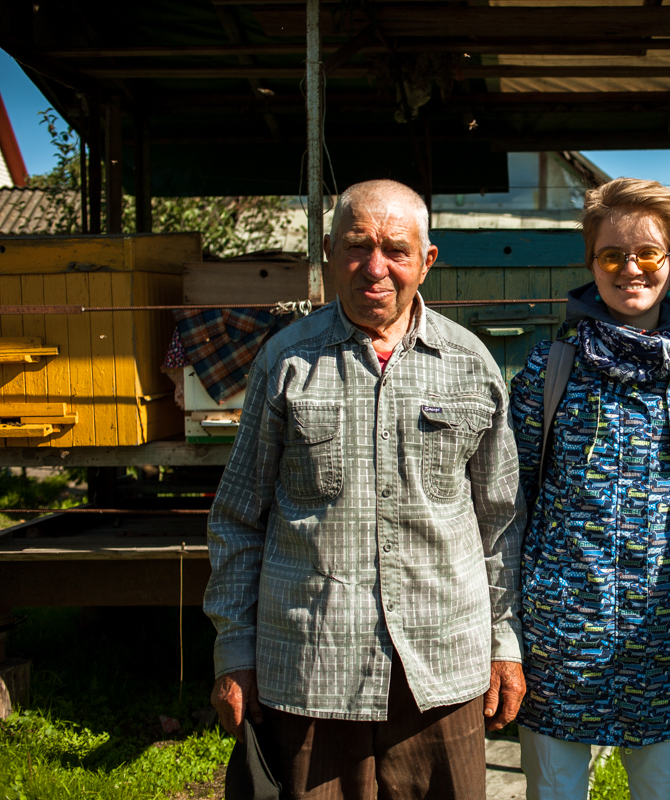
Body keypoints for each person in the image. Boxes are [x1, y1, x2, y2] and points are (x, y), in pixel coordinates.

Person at [204, 179, 526, 800]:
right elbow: (238, 519)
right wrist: (234, 651)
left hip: (440, 667)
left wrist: (503, 646)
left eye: (396, 250)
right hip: (308, 665)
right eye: (356, 246)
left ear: (426, 261)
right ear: (328, 251)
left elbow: (500, 523)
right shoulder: (286, 362)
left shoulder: (471, 363)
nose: (374, 267)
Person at [509, 178, 670, 800]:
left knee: (662, 790)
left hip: (666, 632)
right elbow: (513, 500)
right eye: (612, 255)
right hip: (560, 633)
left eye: (648, 254)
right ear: (591, 263)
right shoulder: (549, 370)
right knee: (554, 791)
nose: (630, 269)